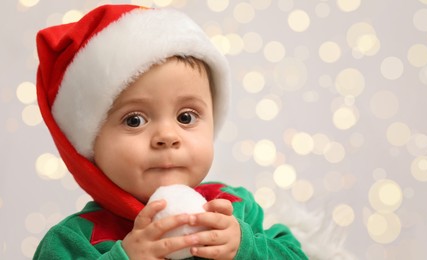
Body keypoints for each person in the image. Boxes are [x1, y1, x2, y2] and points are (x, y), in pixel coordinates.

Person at [33, 4, 307, 260]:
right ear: (90, 145)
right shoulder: (74, 239)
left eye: (186, 117)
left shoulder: (233, 206)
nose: (167, 135)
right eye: (134, 120)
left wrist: (246, 247)